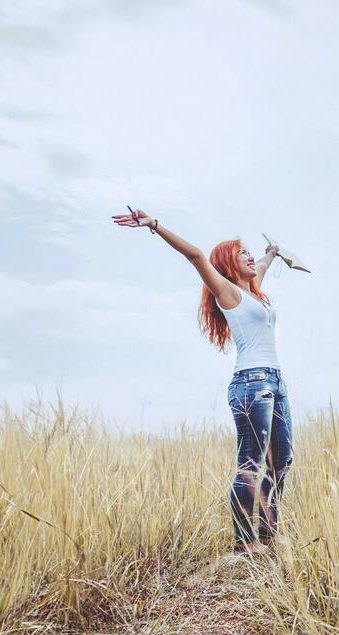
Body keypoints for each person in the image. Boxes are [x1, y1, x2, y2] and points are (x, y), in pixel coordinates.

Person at [113, 207, 292, 555]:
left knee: (281, 459)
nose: (251, 256)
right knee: (251, 463)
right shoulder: (226, 292)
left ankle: (268, 533)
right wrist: (154, 225)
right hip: (251, 384)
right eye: (244, 253)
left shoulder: (253, 292)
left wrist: (271, 254)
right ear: (227, 263)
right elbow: (195, 255)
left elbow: (263, 267)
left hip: (276, 382)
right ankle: (244, 544)